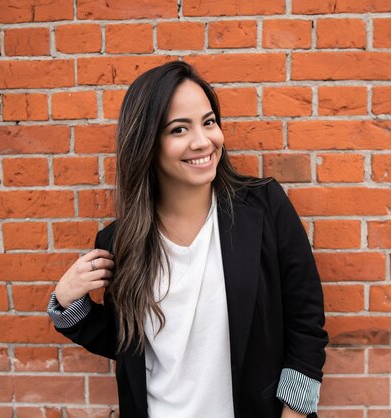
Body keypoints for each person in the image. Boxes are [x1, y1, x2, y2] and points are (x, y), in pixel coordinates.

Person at [47, 61, 328, 418]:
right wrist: (67, 305)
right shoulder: (120, 241)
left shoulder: (264, 208)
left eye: (208, 122)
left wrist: (296, 411)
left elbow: (305, 322)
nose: (203, 141)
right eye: (180, 129)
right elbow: (129, 346)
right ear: (147, 142)